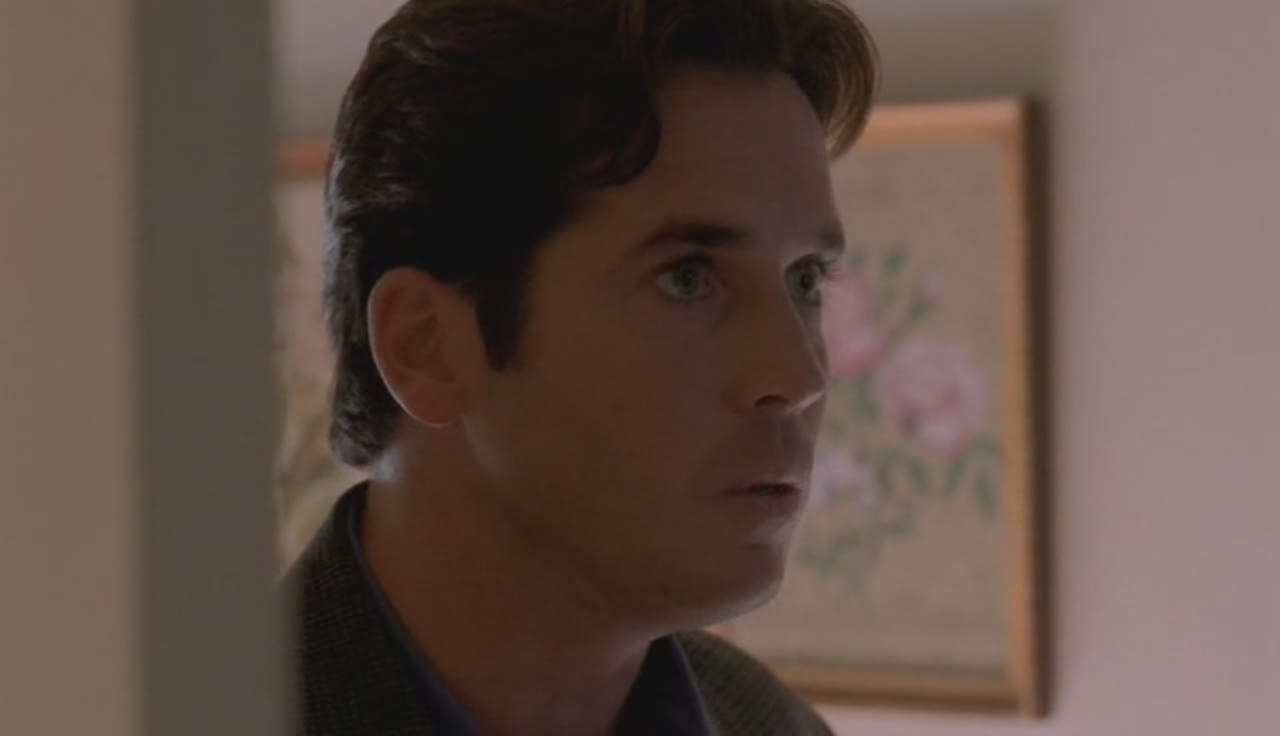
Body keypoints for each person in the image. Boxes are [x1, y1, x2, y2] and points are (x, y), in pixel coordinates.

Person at [282, 1, 878, 734]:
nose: (798, 377)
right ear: (425, 347)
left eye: (806, 280)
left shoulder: (771, 725)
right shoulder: (193, 707)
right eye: (688, 278)